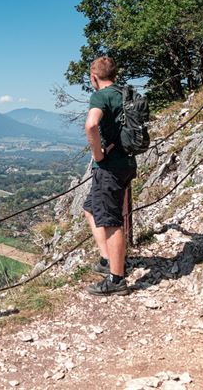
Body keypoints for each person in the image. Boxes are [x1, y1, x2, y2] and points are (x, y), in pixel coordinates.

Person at [82, 56, 137, 296]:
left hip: (110, 168)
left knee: (112, 221)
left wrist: (99, 155)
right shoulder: (126, 94)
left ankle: (117, 280)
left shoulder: (100, 96)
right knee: (92, 208)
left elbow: (91, 125)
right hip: (127, 162)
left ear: (94, 77)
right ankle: (108, 260)